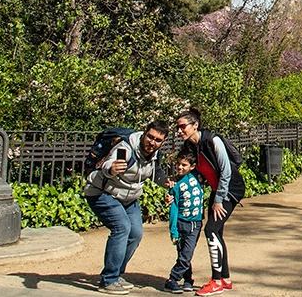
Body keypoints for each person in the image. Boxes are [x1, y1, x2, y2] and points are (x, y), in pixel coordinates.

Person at [84, 121, 169, 294]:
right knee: (122, 228)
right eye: (150, 137)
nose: (152, 142)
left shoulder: (155, 153)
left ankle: (116, 274)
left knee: (136, 234)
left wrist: (167, 182)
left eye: (158, 140)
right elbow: (108, 165)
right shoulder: (126, 147)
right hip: (102, 192)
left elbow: (155, 172)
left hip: (128, 198)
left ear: (163, 142)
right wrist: (112, 169)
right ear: (144, 132)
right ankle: (108, 279)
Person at [175, 107, 245, 296]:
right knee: (217, 233)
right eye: (178, 128)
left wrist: (219, 199)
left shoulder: (212, 140)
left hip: (230, 190)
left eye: (183, 127)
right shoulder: (191, 147)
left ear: (195, 125)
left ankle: (216, 281)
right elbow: (195, 172)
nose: (179, 131)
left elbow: (226, 171)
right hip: (217, 191)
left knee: (211, 230)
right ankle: (225, 278)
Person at [164, 146, 205, 294]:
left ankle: (173, 278)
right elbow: (173, 209)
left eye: (184, 165)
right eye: (178, 164)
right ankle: (185, 279)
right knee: (183, 253)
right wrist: (173, 230)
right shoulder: (175, 185)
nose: (180, 167)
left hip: (195, 223)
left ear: (192, 166)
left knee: (187, 253)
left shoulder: (197, 176)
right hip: (181, 222)